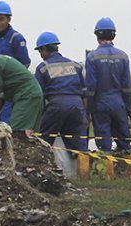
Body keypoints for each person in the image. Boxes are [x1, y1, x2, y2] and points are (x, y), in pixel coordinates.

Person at [33, 32, 91, 178]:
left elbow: (37, 95)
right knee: (80, 145)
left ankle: (44, 174)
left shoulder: (42, 68)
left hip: (56, 105)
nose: (40, 55)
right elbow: (84, 94)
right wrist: (85, 115)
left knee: (43, 141)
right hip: (77, 104)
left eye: (40, 51)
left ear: (45, 49)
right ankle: (84, 179)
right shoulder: (75, 65)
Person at [85, 17, 131, 153]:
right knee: (125, 142)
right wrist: (129, 109)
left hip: (100, 105)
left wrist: (87, 111)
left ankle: (108, 172)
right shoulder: (123, 56)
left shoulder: (92, 57)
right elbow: (127, 87)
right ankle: (130, 171)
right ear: (114, 35)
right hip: (119, 104)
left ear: (97, 36)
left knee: (104, 145)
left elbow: (90, 88)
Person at [0, 1, 30, 124]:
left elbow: (25, 63)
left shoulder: (17, 38)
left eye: (1, 19)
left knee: (7, 119)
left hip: (12, 86)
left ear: (8, 19)